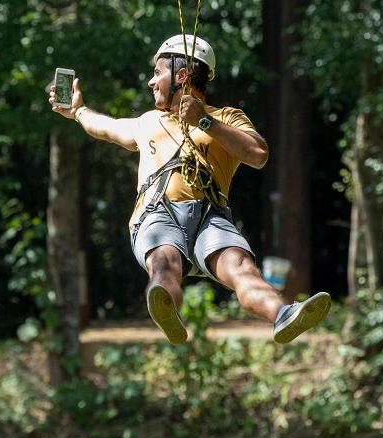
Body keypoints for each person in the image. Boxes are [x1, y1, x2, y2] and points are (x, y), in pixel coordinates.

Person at [49, 35, 331, 345]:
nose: (150, 82)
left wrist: (205, 121)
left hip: (210, 218)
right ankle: (168, 308)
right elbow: (106, 128)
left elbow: (258, 154)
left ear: (181, 76)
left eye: (158, 73)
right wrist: (78, 111)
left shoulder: (226, 117)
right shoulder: (148, 122)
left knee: (242, 269)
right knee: (164, 260)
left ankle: (282, 314)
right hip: (158, 214)